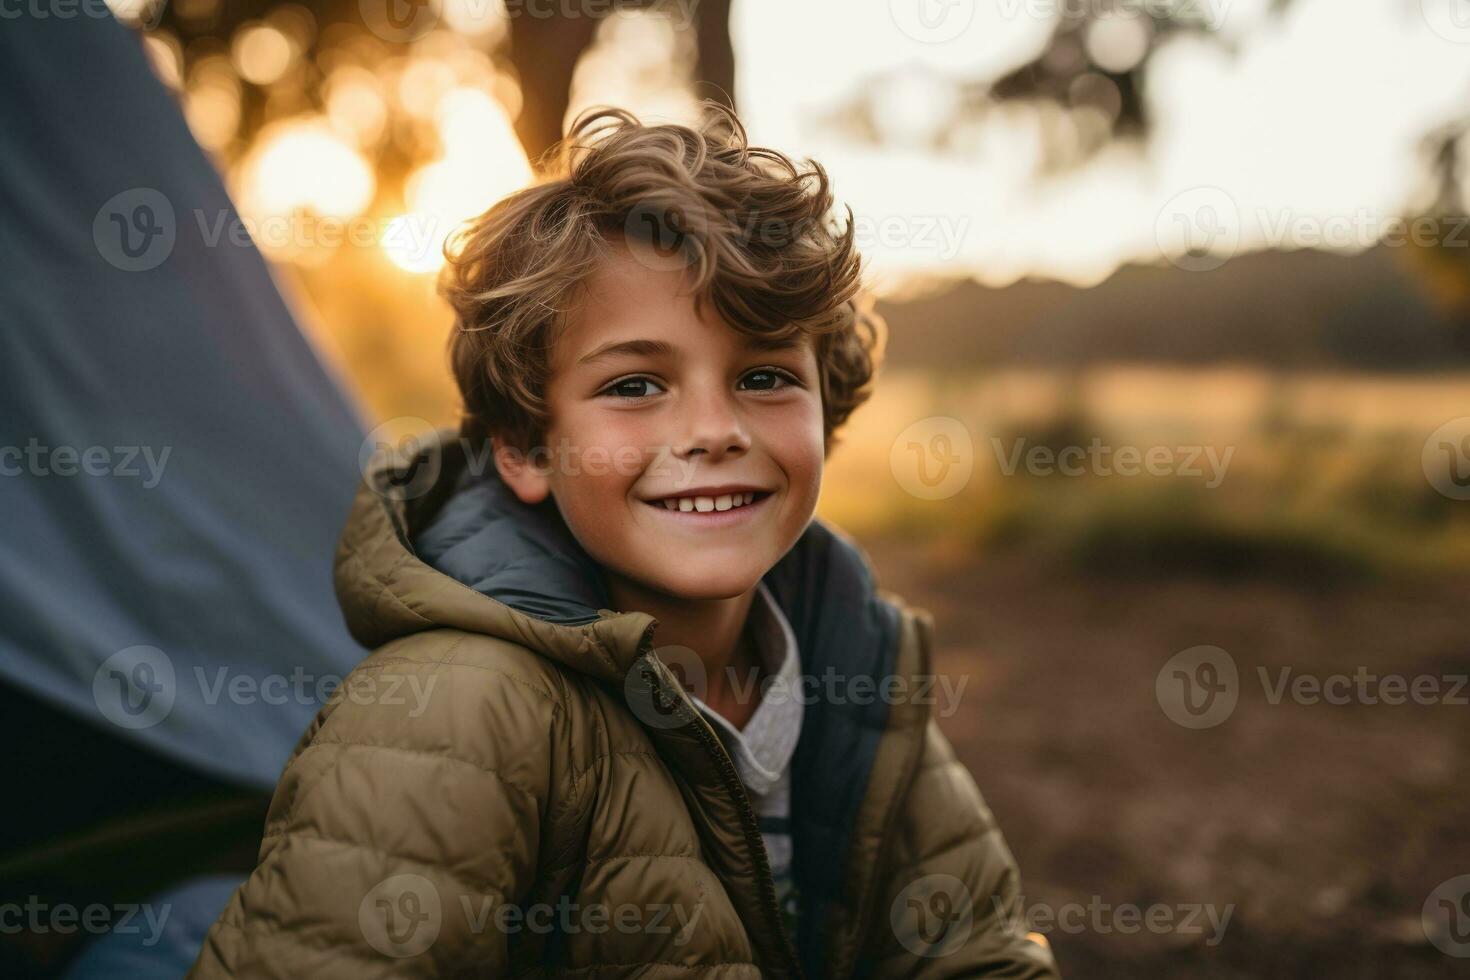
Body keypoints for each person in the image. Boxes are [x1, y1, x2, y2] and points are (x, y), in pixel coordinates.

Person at [189, 102, 1059, 978]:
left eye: (764, 376)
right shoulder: (459, 710)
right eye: (637, 384)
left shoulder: (857, 668)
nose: (714, 429)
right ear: (528, 447)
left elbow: (977, 954)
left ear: (824, 417)